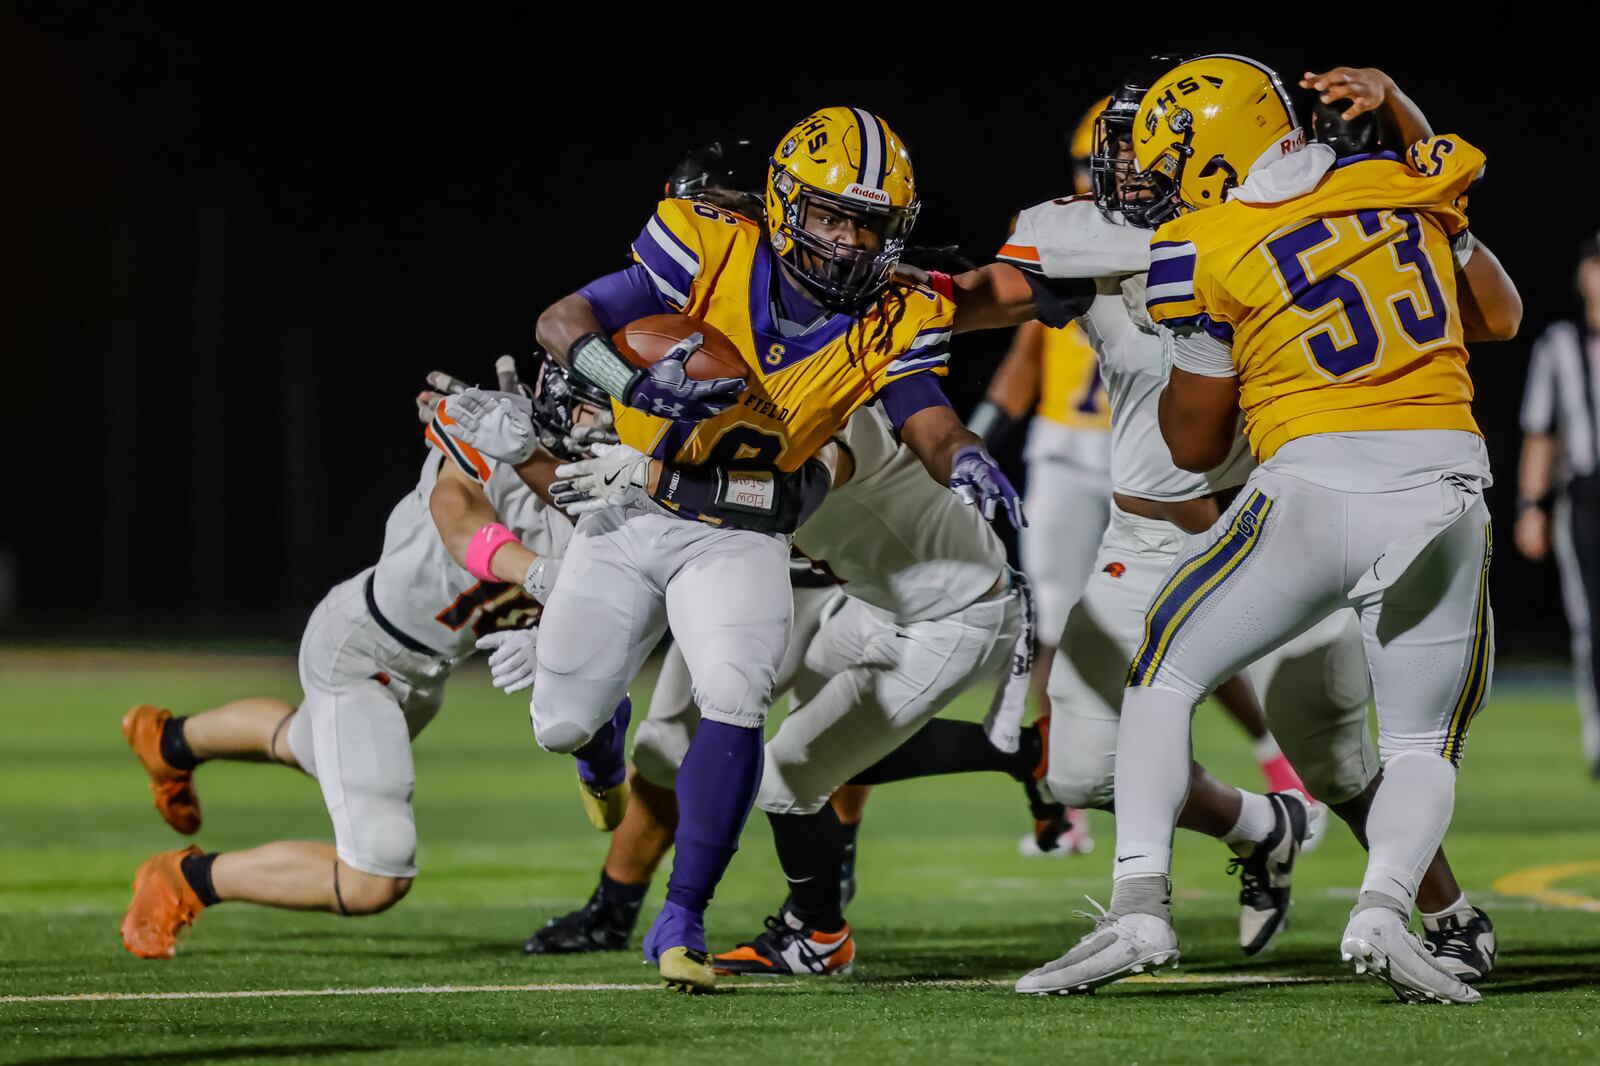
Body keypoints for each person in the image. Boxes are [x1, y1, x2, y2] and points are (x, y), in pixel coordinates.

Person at [483, 105, 1021, 993]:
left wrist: (963, 453)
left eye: (868, 223)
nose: (848, 241)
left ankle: (683, 922)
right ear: (780, 205)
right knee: (568, 724)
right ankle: (597, 745)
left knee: (740, 709)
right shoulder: (710, 248)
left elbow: (906, 418)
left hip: (755, 539)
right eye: (830, 215)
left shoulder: (891, 319)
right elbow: (565, 317)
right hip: (674, 535)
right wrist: (626, 386)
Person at [1029, 53, 1519, 1004]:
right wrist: (1401, 105)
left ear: (1206, 153)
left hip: (1309, 489)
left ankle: (1138, 905)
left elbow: (1192, 441)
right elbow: (1497, 312)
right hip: (1446, 489)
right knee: (1420, 745)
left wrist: (1206, 343)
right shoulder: (1400, 181)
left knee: (1166, 672)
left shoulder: (1204, 240)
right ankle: (1385, 910)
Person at [118, 361, 570, 959]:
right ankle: (186, 880)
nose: (610, 434)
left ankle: (169, 741)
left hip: (422, 676)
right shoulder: (494, 437)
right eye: (596, 413)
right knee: (376, 874)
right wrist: (551, 581)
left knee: (306, 742)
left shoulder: (608, 505)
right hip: (361, 651)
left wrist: (571, 625)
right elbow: (461, 525)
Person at [1516, 231, 1600, 777]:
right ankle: (1599, 734)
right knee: (1591, 619)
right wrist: (1530, 505)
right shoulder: (1560, 346)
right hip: (1589, 494)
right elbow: (1541, 434)